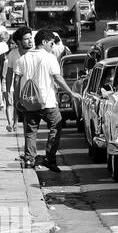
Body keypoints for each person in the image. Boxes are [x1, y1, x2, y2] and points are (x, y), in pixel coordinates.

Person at [12, 30, 73, 171]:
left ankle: (29, 160)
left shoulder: (23, 59)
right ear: (44, 42)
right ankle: (50, 159)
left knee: (30, 132)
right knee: (55, 127)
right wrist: (71, 93)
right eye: (51, 43)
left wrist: (17, 100)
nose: (52, 46)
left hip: (29, 103)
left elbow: (16, 81)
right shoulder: (50, 58)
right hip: (48, 102)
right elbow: (57, 78)